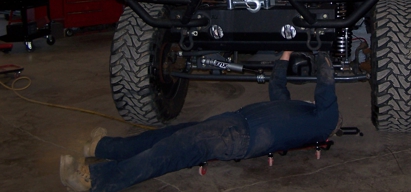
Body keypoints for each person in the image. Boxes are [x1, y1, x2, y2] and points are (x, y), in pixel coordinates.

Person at [60, 51, 340, 192]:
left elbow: (326, 89)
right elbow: (277, 87)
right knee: (163, 137)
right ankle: (101, 147)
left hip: (238, 136)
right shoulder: (297, 109)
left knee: (168, 152)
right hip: (231, 123)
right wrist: (286, 55)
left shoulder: (324, 122)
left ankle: (94, 180)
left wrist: (322, 56)